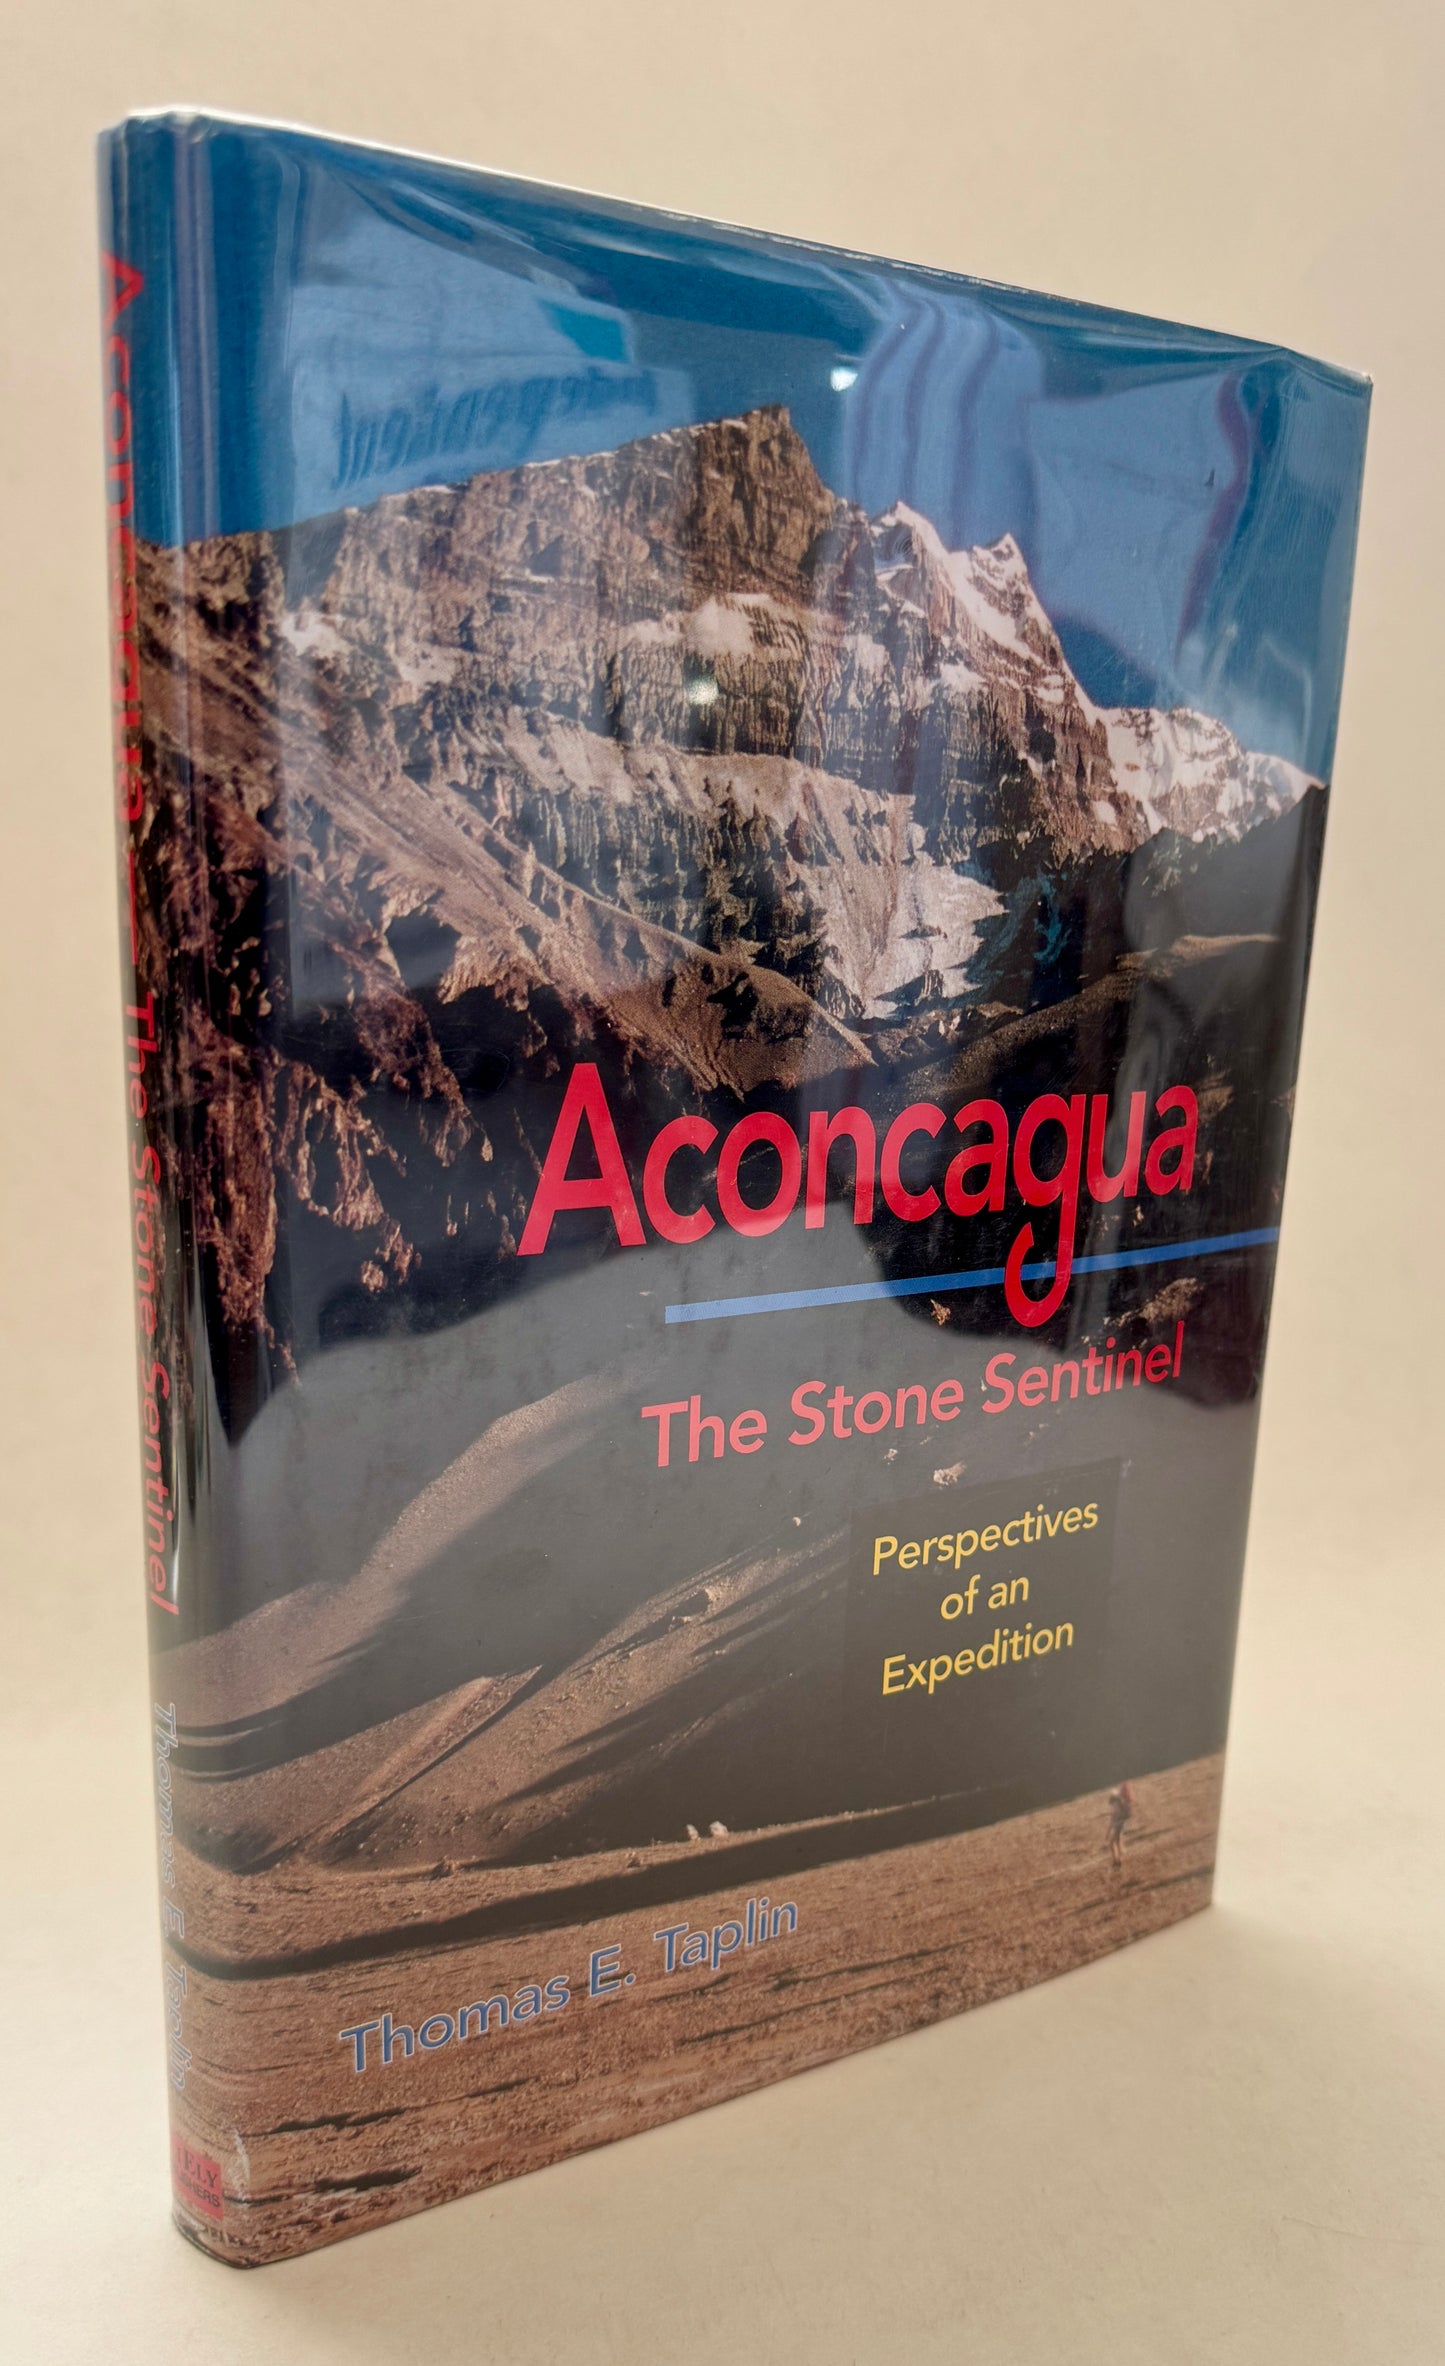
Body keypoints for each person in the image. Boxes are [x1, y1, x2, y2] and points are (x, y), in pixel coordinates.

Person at [1106, 1779, 1134, 1869]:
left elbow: (1115, 1816)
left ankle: (1117, 1861)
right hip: (1120, 1824)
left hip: (1119, 1825)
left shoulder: (1116, 1803)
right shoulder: (1121, 1803)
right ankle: (1117, 1861)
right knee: (1116, 1843)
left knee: (1112, 1843)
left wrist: (1109, 1831)